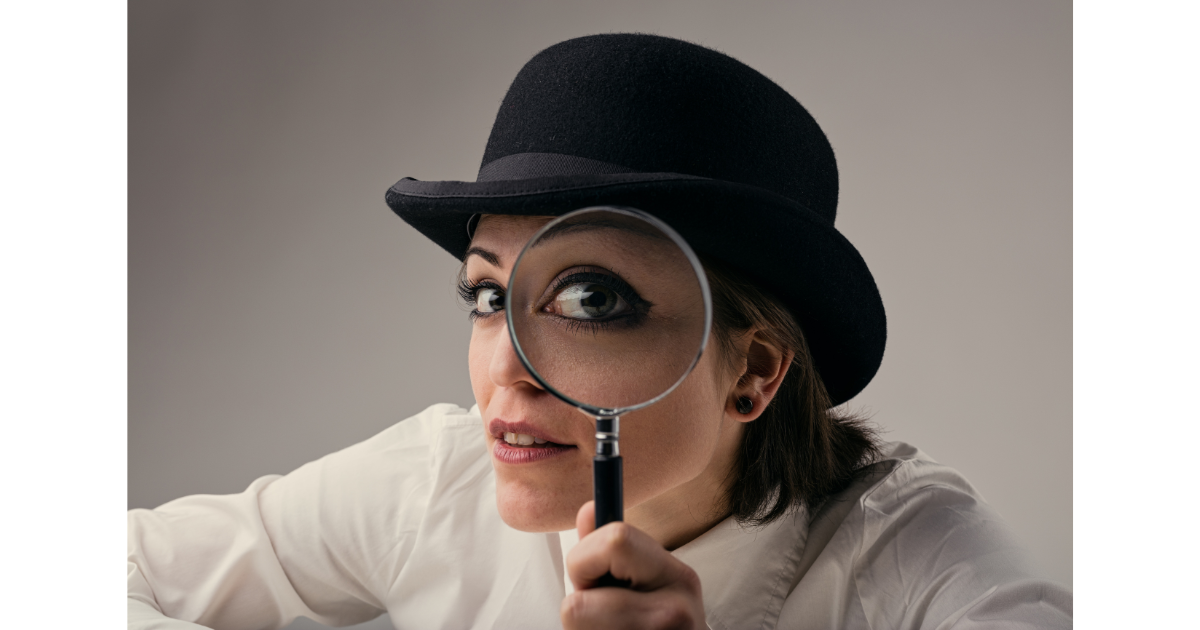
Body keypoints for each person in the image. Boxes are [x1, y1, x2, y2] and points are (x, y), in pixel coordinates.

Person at [127, 34, 1072, 629]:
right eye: (488, 297)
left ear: (753, 371)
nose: (504, 371)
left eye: (590, 301)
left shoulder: (917, 561)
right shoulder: (439, 478)